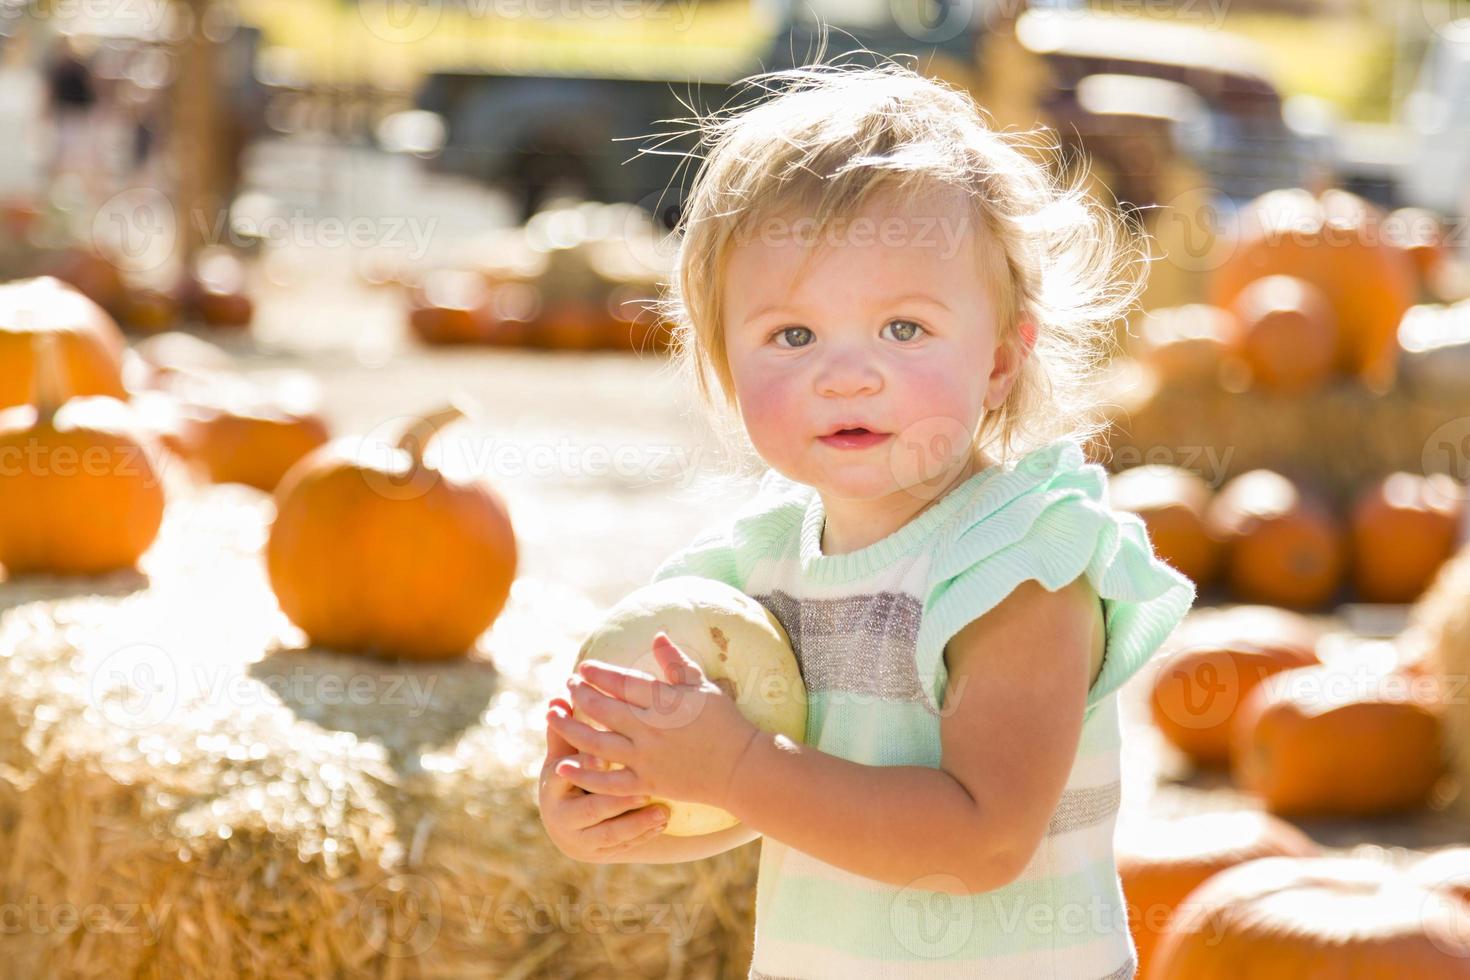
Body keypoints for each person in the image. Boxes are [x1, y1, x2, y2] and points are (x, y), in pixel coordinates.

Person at [538, 56, 1196, 979]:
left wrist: (731, 767)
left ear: (1002, 361)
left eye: (904, 329)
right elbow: (777, 803)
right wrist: (628, 805)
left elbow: (982, 841)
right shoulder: (755, 568)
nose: (846, 375)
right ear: (727, 368)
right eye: (792, 336)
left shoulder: (1017, 562)